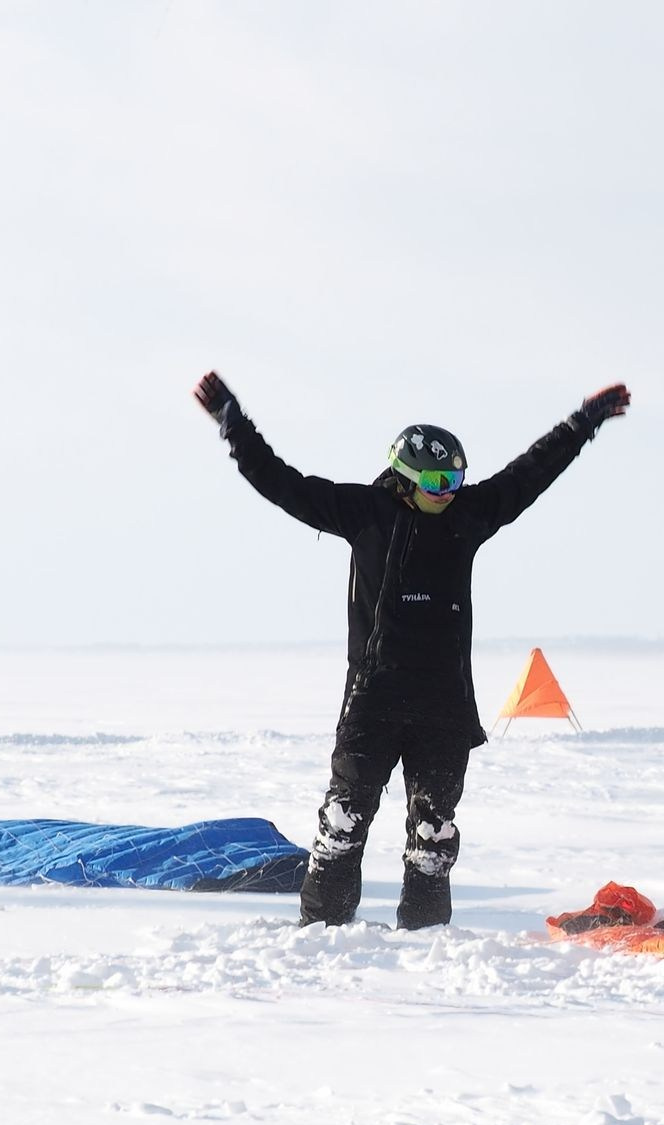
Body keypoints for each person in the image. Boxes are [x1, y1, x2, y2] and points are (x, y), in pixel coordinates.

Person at [193, 370, 630, 929]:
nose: (448, 492)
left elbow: (530, 472)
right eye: (437, 482)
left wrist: (582, 423)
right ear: (405, 478)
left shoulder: (468, 518)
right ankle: (322, 934)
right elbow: (281, 482)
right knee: (343, 825)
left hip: (443, 705)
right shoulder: (363, 513)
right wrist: (234, 424)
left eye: (455, 480)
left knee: (433, 836)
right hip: (374, 699)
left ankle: (424, 942)